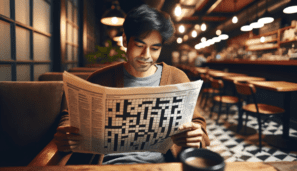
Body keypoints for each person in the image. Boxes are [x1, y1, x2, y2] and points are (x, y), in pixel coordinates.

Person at [54, 4, 210, 164]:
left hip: (159, 166)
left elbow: (198, 122)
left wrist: (196, 135)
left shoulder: (177, 78)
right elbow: (71, 114)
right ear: (125, 40)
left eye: (155, 48)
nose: (146, 55)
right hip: (108, 166)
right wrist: (66, 132)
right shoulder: (100, 79)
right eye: (140, 46)